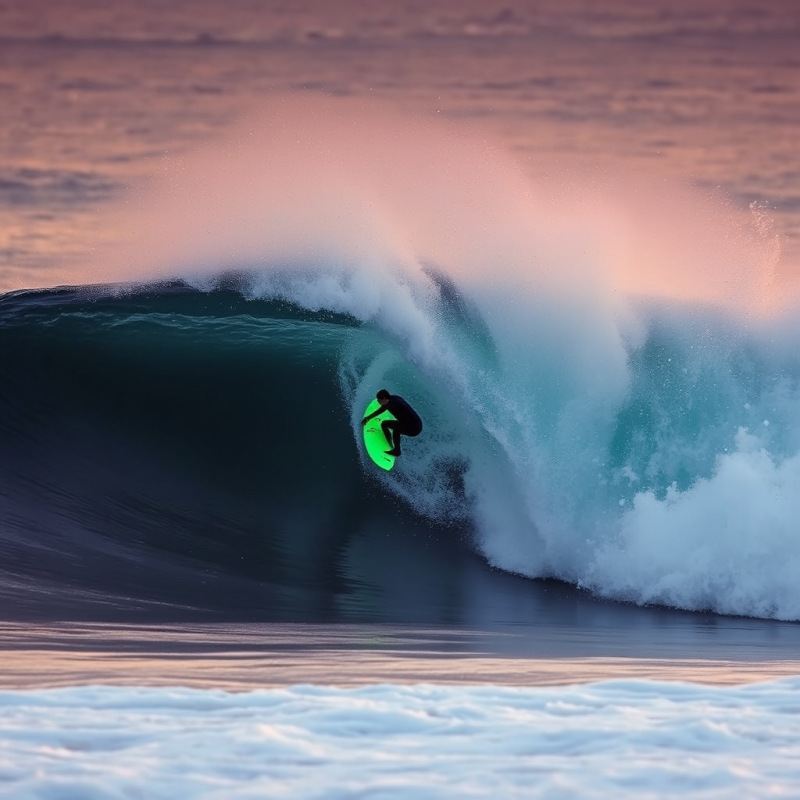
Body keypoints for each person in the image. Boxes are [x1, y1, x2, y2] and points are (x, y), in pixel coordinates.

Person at [361, 389, 423, 457]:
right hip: (418, 423)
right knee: (394, 426)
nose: (378, 401)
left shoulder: (391, 405)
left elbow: (379, 411)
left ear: (384, 398)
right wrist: (368, 418)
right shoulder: (395, 397)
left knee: (390, 427)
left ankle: (394, 449)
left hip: (414, 428)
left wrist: (367, 418)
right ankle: (392, 441)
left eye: (379, 400)